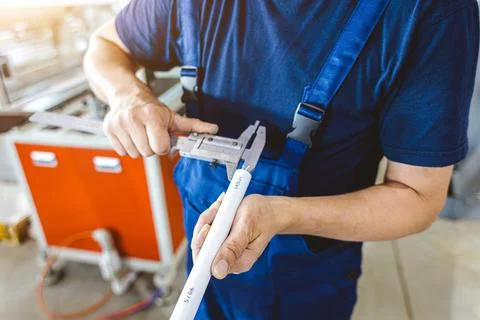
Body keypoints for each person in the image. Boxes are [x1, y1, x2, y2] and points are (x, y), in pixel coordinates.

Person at [83, 1, 479, 319]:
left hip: (308, 282)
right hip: (202, 262)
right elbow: (104, 47)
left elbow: (419, 197)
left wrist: (282, 214)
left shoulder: (429, 12)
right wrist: (126, 95)